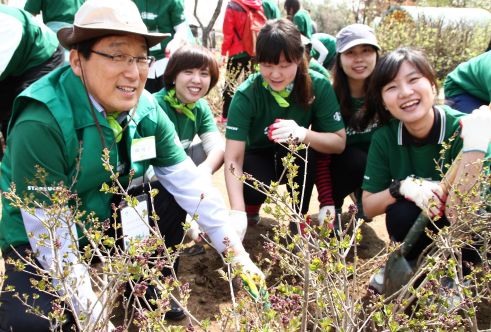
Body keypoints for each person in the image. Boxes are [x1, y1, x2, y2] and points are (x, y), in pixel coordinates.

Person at [0, 0, 263, 330]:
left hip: (109, 219)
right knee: (33, 322)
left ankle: (147, 287)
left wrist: (236, 253)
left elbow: (189, 183)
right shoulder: (42, 122)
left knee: (167, 195)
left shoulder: (147, 109)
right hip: (41, 238)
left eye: (140, 58)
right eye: (117, 56)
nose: (133, 72)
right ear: (77, 60)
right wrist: (95, 319)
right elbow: (52, 242)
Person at [361, 47, 490, 292]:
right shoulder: (385, 138)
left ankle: (457, 278)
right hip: (425, 223)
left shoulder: (467, 129)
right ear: (384, 103)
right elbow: (367, 206)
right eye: (391, 87)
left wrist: (474, 147)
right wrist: (402, 187)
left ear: (433, 85)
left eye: (413, 80)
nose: (405, 93)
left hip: (470, 227)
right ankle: (412, 263)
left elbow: (465, 218)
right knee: (400, 214)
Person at [224, 19, 345, 229]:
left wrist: (303, 134)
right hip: (258, 156)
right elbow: (233, 157)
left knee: (307, 153)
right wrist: (237, 211)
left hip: (292, 152)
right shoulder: (247, 94)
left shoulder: (318, 85)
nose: (275, 74)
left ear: (299, 59)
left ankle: (298, 216)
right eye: (267, 65)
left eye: (285, 65)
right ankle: (251, 208)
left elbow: (338, 142)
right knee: (249, 174)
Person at [154, 44, 226, 253]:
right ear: (173, 75)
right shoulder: (156, 105)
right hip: (151, 177)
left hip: (180, 172)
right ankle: (188, 223)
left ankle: (190, 221)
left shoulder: (200, 107)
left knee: (207, 151)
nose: (197, 80)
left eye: (204, 74)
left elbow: (217, 148)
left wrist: (204, 171)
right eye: (188, 72)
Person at [315, 24, 380, 226]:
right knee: (355, 159)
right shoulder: (329, 96)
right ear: (339, 59)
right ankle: (336, 203)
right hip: (341, 168)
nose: (359, 59)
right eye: (350, 52)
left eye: (366, 51)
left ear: (377, 55)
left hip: (376, 168)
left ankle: (364, 196)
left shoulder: (387, 92)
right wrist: (327, 200)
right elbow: (320, 157)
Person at [0, 5, 64, 154]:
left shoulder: (5, 24)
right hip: (12, 63)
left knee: (21, 114)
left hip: (42, 55)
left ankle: (21, 165)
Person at [220, 0, 266, 123]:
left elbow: (228, 32)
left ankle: (226, 116)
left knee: (230, 84)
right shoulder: (258, 5)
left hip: (237, 52)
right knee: (252, 85)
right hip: (254, 51)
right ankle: (251, 115)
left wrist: (224, 53)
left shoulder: (232, 5)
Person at [133, 0, 192, 93]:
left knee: (167, 94)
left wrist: (176, 42)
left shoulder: (173, 2)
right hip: (141, 58)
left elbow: (182, 28)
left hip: (165, 58)